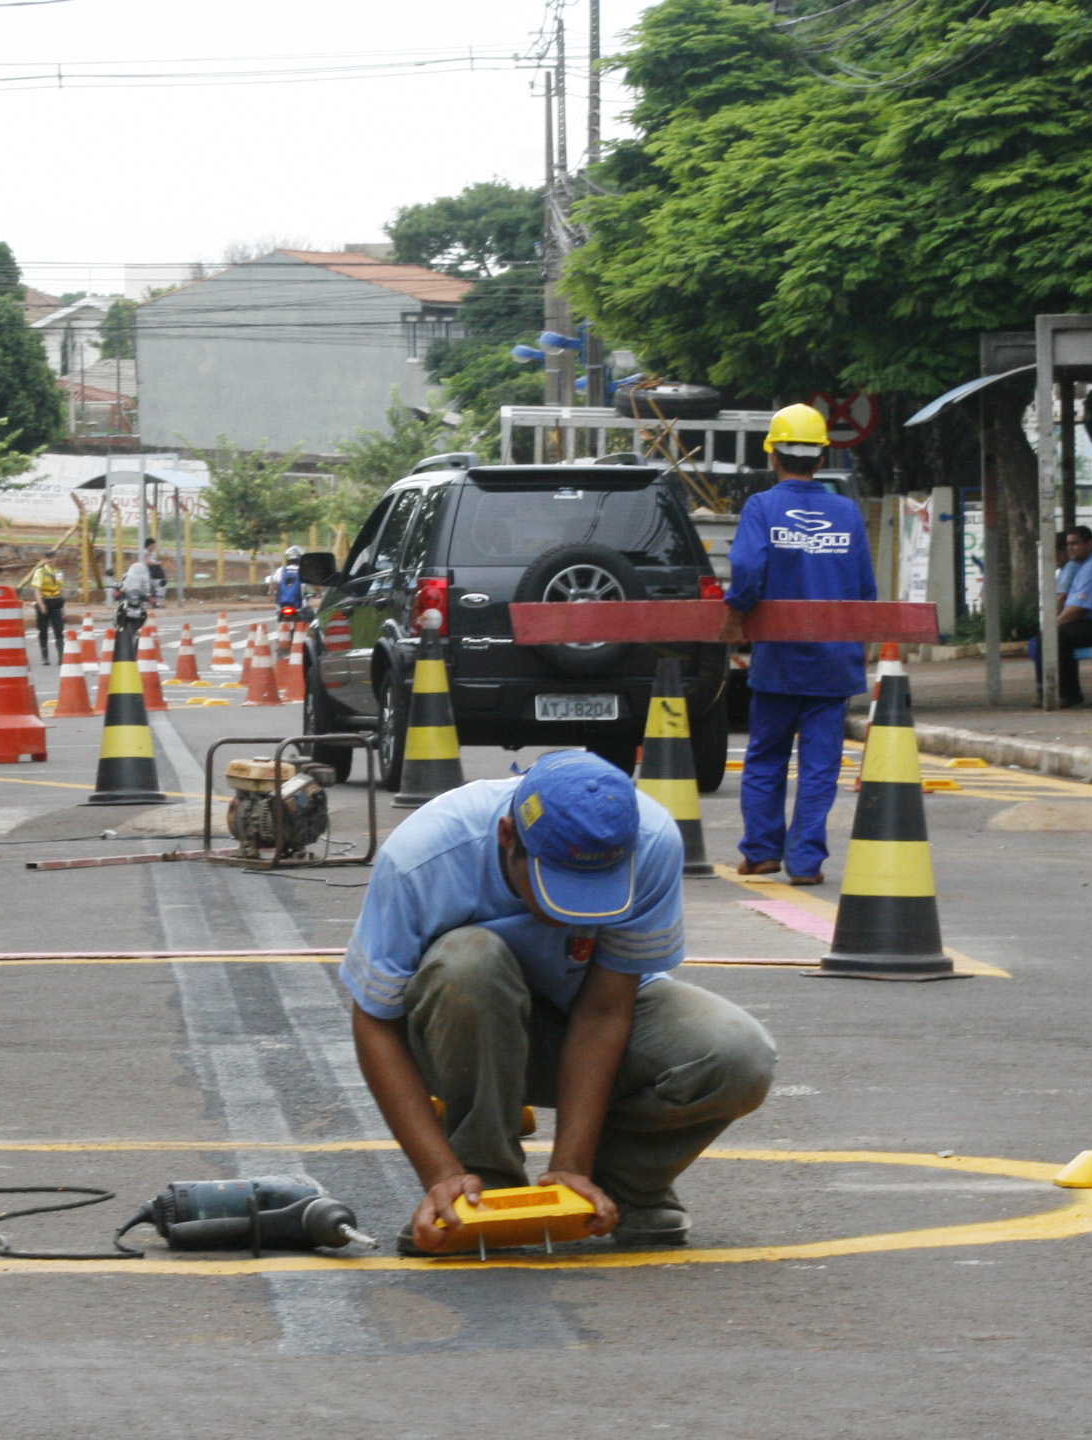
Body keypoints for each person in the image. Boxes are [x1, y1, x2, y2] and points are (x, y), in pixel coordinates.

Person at [343, 751, 776, 1253]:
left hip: (579, 1015)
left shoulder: (651, 842)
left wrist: (573, 1165)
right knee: (469, 960)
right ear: (508, 836)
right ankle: (478, 1187)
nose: (575, 908)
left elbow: (604, 1010)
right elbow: (375, 1022)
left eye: (597, 889)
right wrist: (439, 1173)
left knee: (737, 1053)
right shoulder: (425, 856)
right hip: (460, 1030)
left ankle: (623, 1185)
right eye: (559, 886)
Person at [722, 404, 876, 886]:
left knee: (767, 756)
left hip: (780, 661)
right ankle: (806, 862)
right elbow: (864, 589)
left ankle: (763, 851)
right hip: (833, 661)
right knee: (819, 764)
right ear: (821, 457)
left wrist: (735, 616)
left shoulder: (763, 507)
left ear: (773, 454)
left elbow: (747, 573)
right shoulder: (846, 511)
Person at [1029, 525, 1092, 708]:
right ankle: (1052, 690)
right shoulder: (1085, 565)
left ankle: (1066, 693)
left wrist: (1052, 627)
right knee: (1055, 635)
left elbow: (1077, 609)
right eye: (1068, 544)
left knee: (1056, 636)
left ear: (1090, 544)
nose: (1070, 548)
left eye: (1075, 544)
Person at [24, 549, 67, 665]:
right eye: (51, 558)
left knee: (59, 630)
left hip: (56, 603)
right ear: (46, 560)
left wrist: (63, 608)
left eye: (55, 557)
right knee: (43, 631)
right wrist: (41, 604)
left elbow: (60, 590)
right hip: (44, 602)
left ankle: (61, 656)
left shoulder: (58, 572)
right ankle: (45, 656)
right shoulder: (40, 572)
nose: (54, 560)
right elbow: (36, 589)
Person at [274, 545, 306, 616]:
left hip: (281, 605)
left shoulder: (280, 571)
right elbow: (311, 586)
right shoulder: (304, 571)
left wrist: (272, 593)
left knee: (278, 614)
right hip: (300, 605)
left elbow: (274, 586)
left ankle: (279, 626)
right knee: (310, 615)